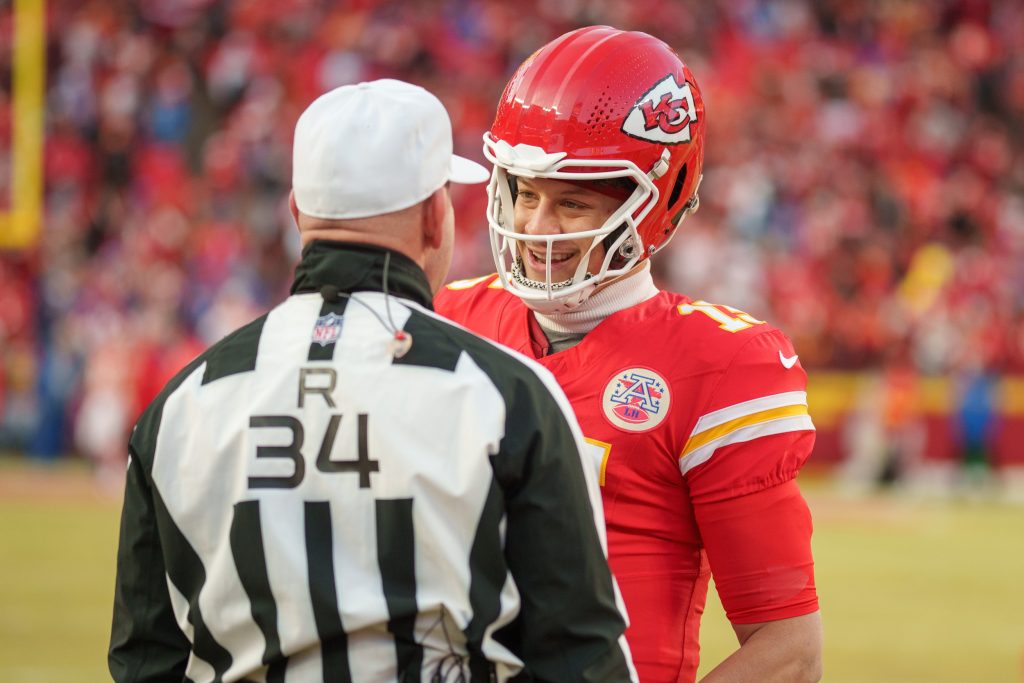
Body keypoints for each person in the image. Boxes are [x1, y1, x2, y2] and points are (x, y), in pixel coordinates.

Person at [110, 79, 637, 683]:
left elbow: (145, 660)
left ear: (298, 214)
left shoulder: (182, 405)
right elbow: (579, 658)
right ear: (435, 216)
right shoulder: (503, 395)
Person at [435, 27, 823, 683]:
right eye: (526, 193)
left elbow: (789, 651)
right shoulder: (448, 317)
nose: (534, 226)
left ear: (660, 200)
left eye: (573, 202)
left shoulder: (719, 363)